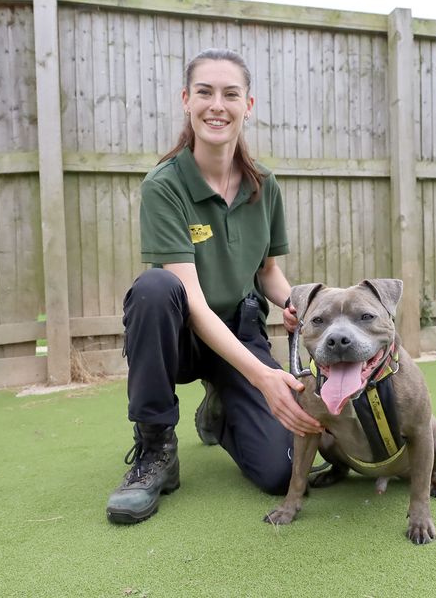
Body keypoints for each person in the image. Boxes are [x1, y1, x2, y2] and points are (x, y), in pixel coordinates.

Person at [106, 49, 323, 524]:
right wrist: (264, 378)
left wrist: (295, 305)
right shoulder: (164, 186)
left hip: (240, 331)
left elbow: (266, 270)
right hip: (182, 335)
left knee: (279, 473)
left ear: (249, 104)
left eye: (230, 94)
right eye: (204, 92)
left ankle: (220, 408)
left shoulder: (265, 184)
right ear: (187, 100)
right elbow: (194, 302)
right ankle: (156, 449)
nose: (216, 105)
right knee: (154, 289)